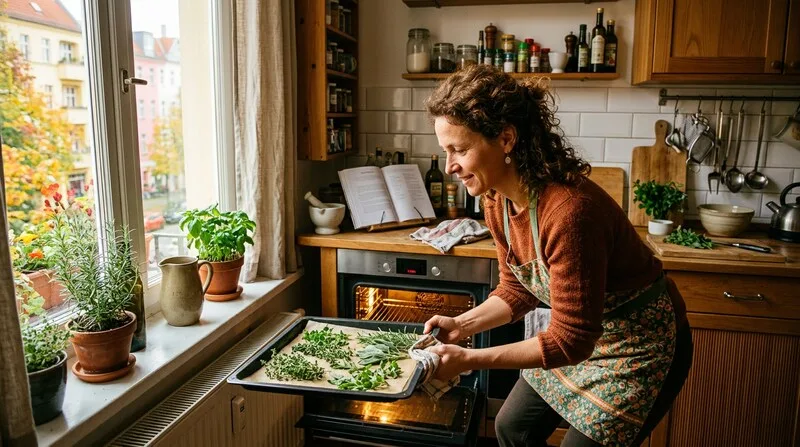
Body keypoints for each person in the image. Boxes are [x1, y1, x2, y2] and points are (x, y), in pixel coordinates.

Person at [422, 65, 693, 447]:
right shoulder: (496, 200)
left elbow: (570, 341)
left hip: (638, 346)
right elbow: (517, 289)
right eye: (445, 151)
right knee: (512, 427)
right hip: (582, 334)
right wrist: (461, 325)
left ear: (506, 139)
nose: (450, 166)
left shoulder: (569, 212)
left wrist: (470, 359)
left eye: (460, 150)